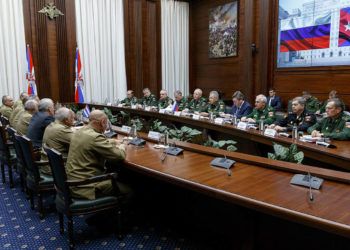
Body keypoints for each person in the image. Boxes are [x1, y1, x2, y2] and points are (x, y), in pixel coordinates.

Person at [66, 110, 130, 200]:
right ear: (103, 122)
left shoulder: (81, 131)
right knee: (129, 190)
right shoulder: (95, 137)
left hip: (73, 180)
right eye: (106, 123)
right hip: (85, 185)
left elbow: (94, 141)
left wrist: (113, 141)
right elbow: (119, 156)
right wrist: (123, 146)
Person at [40, 107, 75, 175]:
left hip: (49, 165)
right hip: (57, 168)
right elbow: (80, 142)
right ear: (66, 120)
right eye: (72, 118)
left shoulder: (51, 125)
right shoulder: (61, 130)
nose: (74, 120)